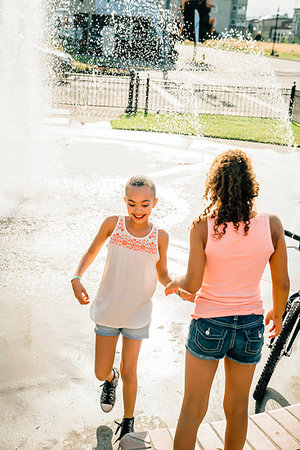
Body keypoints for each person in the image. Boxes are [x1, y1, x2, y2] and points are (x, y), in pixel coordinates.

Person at [165, 150, 290, 450]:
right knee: (236, 410)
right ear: (251, 185)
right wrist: (277, 312)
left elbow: (192, 283)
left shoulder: (202, 227)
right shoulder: (271, 224)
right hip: (250, 327)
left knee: (193, 408)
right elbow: (282, 282)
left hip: (209, 324)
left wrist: (175, 285)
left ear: (215, 185)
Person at [71, 175, 194, 442]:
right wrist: (77, 277)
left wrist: (179, 289)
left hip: (138, 313)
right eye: (132, 203)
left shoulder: (160, 235)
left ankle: (128, 421)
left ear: (155, 203)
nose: (138, 210)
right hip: (108, 309)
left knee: (131, 369)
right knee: (100, 371)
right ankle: (110, 380)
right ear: (124, 201)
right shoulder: (111, 224)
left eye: (145, 204)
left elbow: (162, 274)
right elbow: (91, 252)